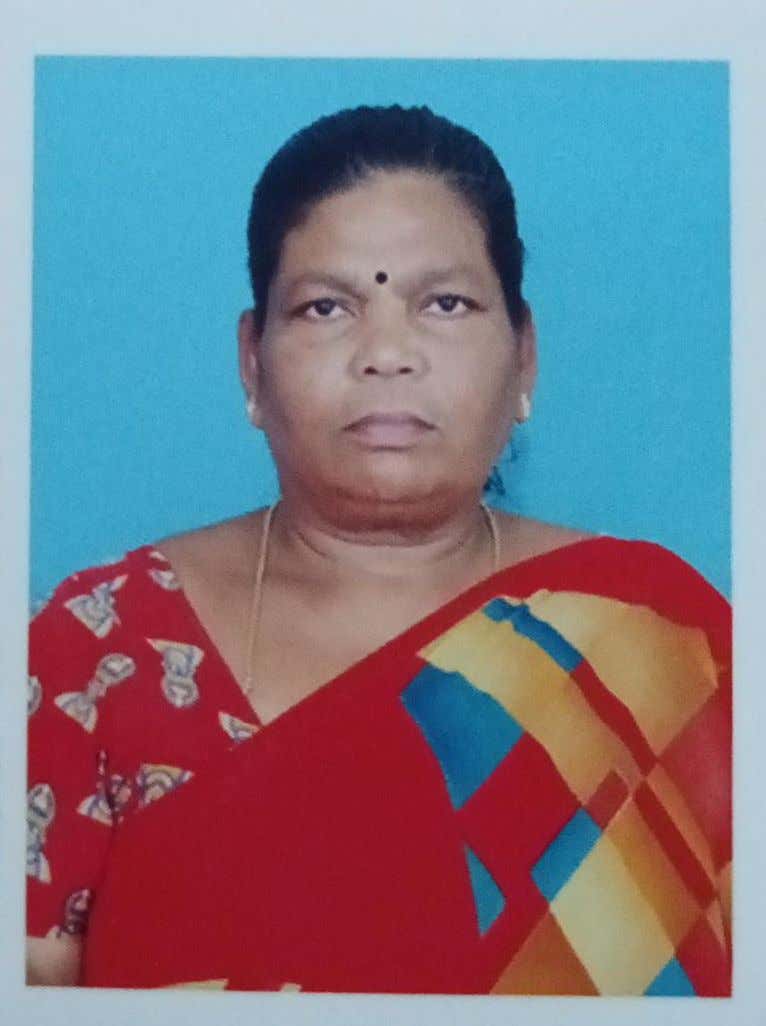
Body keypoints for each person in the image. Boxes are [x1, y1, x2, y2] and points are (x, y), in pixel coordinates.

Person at [26, 104, 731, 994]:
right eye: (326, 307)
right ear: (251, 363)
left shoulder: (655, 636)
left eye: (445, 303)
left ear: (525, 357)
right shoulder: (97, 651)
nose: (387, 354)